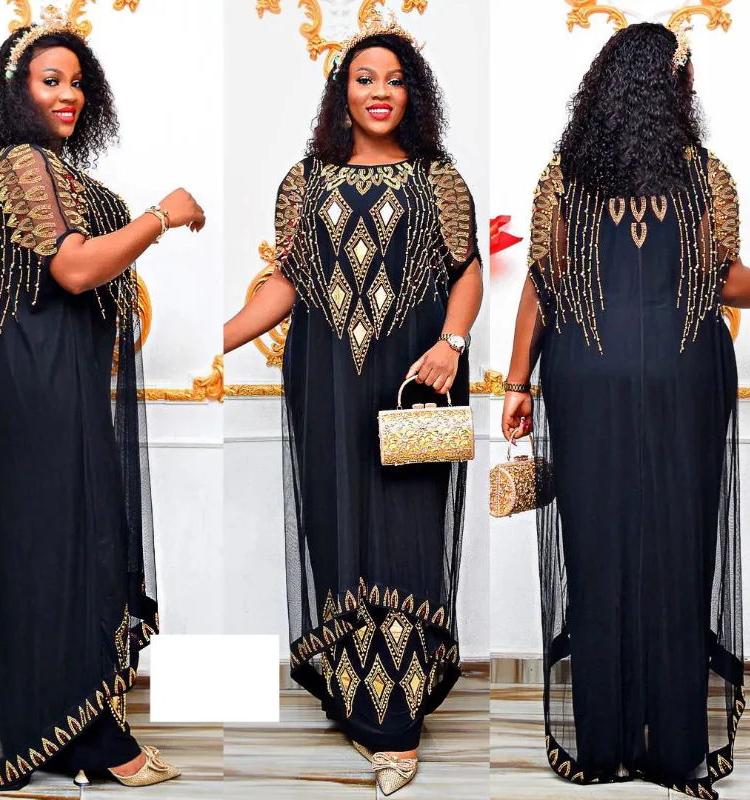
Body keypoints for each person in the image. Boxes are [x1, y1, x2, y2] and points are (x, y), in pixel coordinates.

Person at [224, 15, 482, 796]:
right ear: (342, 92)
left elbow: (466, 271)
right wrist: (219, 339)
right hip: (326, 383)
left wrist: (453, 343)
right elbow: (287, 283)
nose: (379, 92)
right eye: (364, 78)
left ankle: (396, 727)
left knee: (405, 535)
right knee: (337, 528)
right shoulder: (304, 180)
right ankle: (357, 693)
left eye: (395, 80)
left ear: (414, 95)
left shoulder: (439, 179)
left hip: (415, 384)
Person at [502, 22, 750, 799]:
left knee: (598, 541)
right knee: (678, 544)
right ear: (672, 89)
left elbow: (541, 283)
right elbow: (725, 280)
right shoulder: (703, 176)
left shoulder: (564, 178)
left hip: (585, 377)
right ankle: (673, 748)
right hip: (681, 376)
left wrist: (516, 385)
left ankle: (604, 742)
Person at [0, 9, 205, 791]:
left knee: (68, 538)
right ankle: (86, 737)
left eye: (76, 83)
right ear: (16, 91)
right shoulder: (21, 160)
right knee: (57, 540)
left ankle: (69, 726)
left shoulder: (55, 169)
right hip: (36, 370)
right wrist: (162, 214)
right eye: (50, 81)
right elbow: (73, 270)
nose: (67, 94)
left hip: (58, 365)